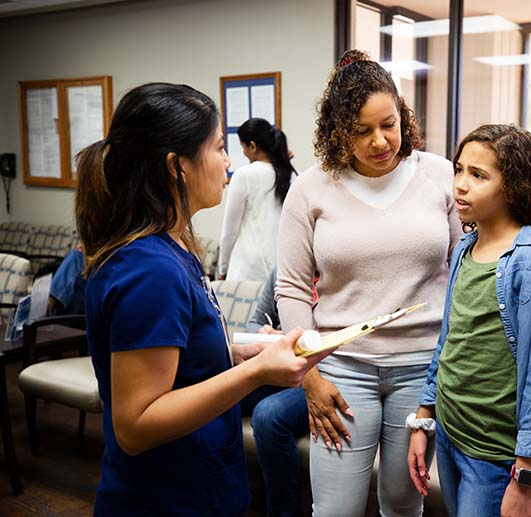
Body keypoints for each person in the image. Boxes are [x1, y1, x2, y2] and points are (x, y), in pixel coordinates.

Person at [74, 82, 330, 516]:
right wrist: (256, 375)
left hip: (200, 483)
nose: (228, 161)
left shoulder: (171, 249)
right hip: (166, 499)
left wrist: (238, 353)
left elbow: (177, 361)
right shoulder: (149, 269)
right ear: (178, 166)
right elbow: (135, 425)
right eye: (216, 148)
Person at [272, 49, 461, 516]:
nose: (381, 141)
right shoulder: (312, 188)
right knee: (335, 510)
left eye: (389, 123)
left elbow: (463, 270)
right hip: (341, 369)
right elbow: (292, 288)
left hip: (421, 370)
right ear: (339, 131)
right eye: (362, 131)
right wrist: (309, 377)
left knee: (402, 506)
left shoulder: (439, 175)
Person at [406, 124, 531, 517]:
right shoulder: (464, 247)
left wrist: (527, 473)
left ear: (512, 186)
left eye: (478, 175)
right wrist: (425, 418)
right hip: (448, 432)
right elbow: (449, 340)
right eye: (459, 170)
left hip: (493, 451)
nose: (460, 185)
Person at [240, 267, 309, 517]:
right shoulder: (282, 271)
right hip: (278, 372)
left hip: (320, 377)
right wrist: (263, 333)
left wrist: (291, 339)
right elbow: (255, 321)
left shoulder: (340, 266)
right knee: (221, 396)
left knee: (268, 415)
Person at [218, 118, 297, 281]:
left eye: (243, 147)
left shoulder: (244, 175)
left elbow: (229, 231)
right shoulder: (292, 175)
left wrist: (222, 269)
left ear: (252, 146)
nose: (244, 153)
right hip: (283, 271)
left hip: (248, 269)